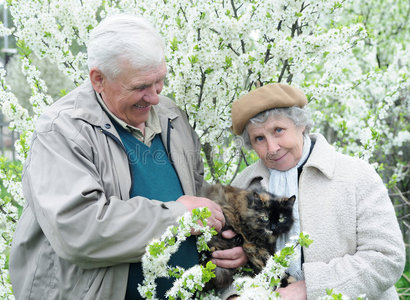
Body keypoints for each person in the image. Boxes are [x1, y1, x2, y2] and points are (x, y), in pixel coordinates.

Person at [9, 14, 245, 300]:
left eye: (160, 81)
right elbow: (80, 231)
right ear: (98, 79)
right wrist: (179, 217)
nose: (155, 96)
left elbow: (198, 200)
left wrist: (224, 245)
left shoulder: (172, 117)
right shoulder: (61, 131)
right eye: (140, 87)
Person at [227, 83, 405, 299]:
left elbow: (386, 258)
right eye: (259, 139)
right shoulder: (242, 185)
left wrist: (310, 288)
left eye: (278, 130)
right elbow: (226, 261)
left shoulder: (356, 175)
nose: (272, 148)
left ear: (300, 124)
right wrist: (236, 294)